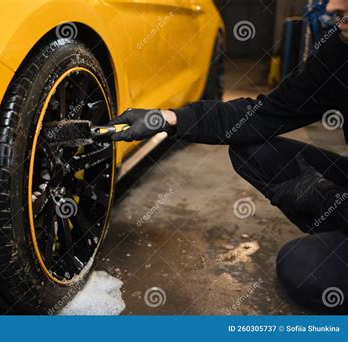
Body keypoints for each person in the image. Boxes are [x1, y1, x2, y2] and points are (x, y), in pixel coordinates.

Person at [108, 0, 348, 312]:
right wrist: (167, 119)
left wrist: (329, 200)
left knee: (303, 269)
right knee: (255, 151)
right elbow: (263, 115)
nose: (333, 6)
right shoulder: (339, 52)